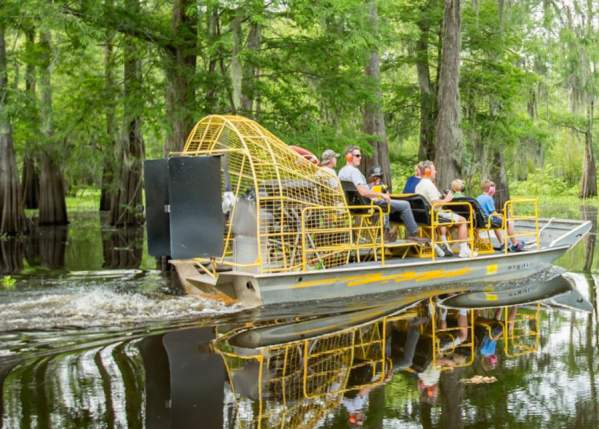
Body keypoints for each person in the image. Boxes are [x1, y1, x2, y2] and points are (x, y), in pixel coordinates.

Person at [338, 146, 427, 244]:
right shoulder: (354, 172)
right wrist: (381, 194)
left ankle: (387, 232)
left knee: (392, 204)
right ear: (349, 157)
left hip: (354, 206)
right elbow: (363, 192)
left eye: (360, 155)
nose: (360, 158)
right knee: (405, 205)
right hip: (369, 204)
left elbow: (358, 190)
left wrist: (372, 187)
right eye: (357, 155)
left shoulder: (342, 171)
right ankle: (413, 235)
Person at [415, 161, 474, 258]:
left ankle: (446, 245)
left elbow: (432, 200)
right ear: (428, 171)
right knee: (463, 220)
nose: (436, 171)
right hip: (435, 215)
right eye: (434, 169)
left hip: (425, 216)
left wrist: (443, 198)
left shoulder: (419, 185)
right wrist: (447, 199)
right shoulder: (429, 184)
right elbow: (435, 203)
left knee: (452, 219)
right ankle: (464, 250)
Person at [476, 180, 524, 252]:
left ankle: (502, 243)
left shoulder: (478, 198)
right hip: (487, 220)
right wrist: (502, 217)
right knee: (509, 223)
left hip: (480, 221)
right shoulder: (489, 198)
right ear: (490, 189)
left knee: (496, 224)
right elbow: (493, 212)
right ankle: (516, 244)